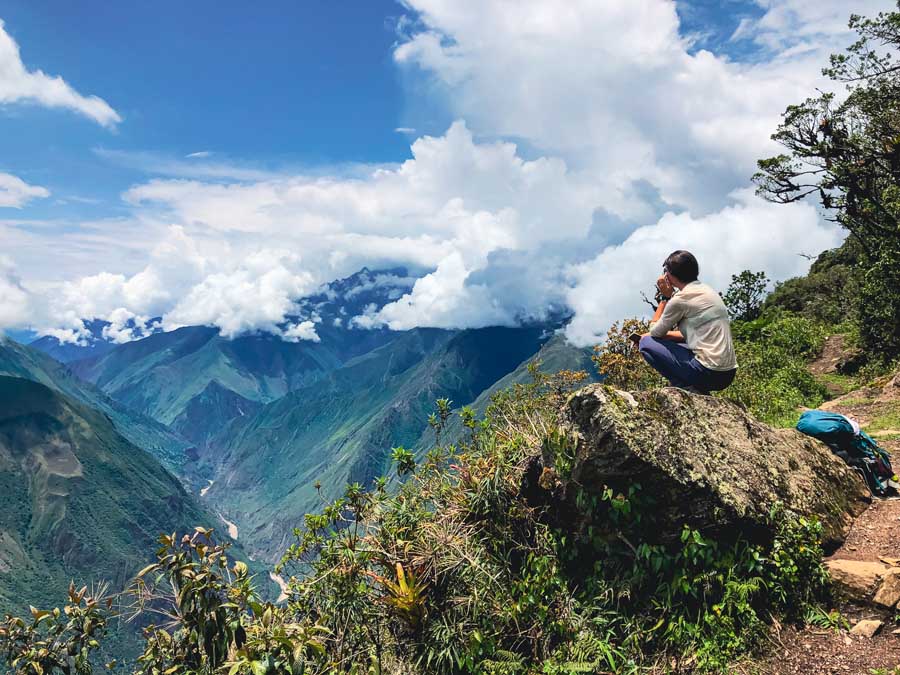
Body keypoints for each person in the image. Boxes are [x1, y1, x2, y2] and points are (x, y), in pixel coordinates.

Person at [634, 250, 737, 394]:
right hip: (727, 373)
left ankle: (685, 388)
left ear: (669, 275)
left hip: (708, 372)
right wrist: (666, 336)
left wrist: (665, 298)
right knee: (662, 340)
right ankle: (693, 387)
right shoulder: (708, 291)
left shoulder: (680, 299)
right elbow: (690, 335)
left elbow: (654, 331)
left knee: (646, 343)